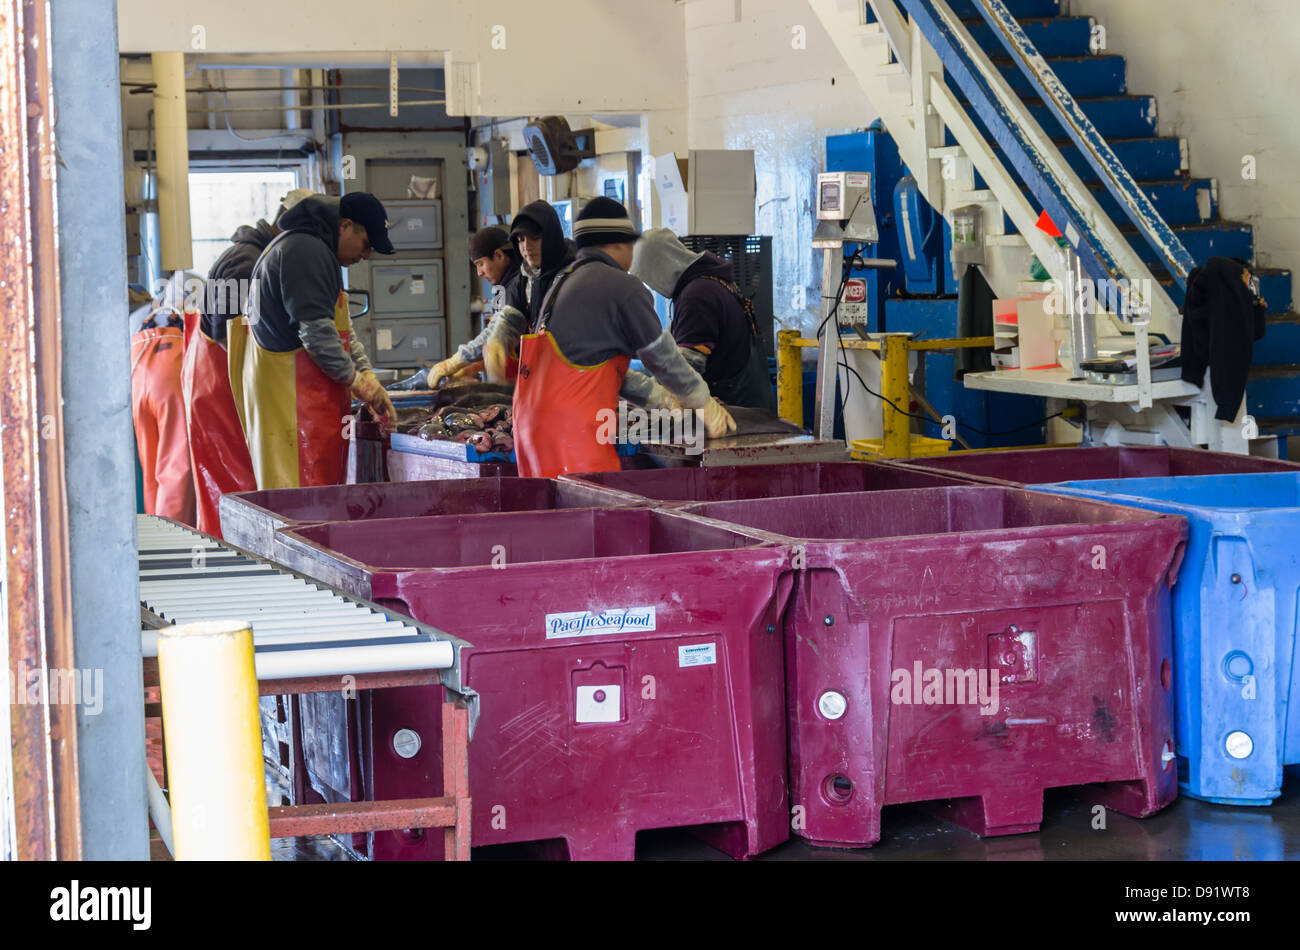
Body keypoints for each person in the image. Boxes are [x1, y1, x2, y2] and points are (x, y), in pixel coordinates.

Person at [511, 197, 736, 477]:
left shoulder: (564, 282)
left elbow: (583, 367)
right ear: (617, 244)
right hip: (574, 434)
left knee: (553, 518)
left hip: (531, 433)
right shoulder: (622, 287)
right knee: (595, 516)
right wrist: (702, 402)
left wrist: (657, 397)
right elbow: (663, 358)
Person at [180, 188, 314, 537]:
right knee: (235, 489)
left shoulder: (256, 256)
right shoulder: (246, 263)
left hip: (224, 390)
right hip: (222, 393)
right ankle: (233, 563)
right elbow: (232, 341)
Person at [242, 192, 398, 490]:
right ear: (345, 226)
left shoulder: (320, 252)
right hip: (295, 416)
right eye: (366, 244)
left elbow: (344, 330)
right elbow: (317, 336)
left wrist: (366, 375)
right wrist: (360, 383)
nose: (365, 256)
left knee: (317, 507)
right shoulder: (305, 251)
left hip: (310, 416)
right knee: (301, 513)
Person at [631, 228, 776, 411]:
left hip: (737, 414)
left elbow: (687, 368)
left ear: (659, 267)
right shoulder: (712, 282)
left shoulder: (697, 295)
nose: (651, 285)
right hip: (752, 408)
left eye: (648, 278)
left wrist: (649, 397)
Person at [417, 225, 522, 388]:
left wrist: (456, 361)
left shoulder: (517, 286)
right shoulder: (502, 288)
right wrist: (478, 364)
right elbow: (495, 334)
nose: (479, 273)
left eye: (481, 264)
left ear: (499, 255)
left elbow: (494, 333)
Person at [482, 200, 576, 381]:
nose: (526, 247)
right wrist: (497, 341)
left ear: (551, 236)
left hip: (577, 378)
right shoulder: (525, 279)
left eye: (535, 238)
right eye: (520, 240)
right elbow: (510, 319)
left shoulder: (576, 274)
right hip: (543, 379)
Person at [131, 271, 196, 525]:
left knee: (151, 471)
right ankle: (174, 539)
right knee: (175, 468)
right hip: (171, 381)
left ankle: (153, 536)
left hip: (139, 383)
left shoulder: (140, 316)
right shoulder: (193, 309)